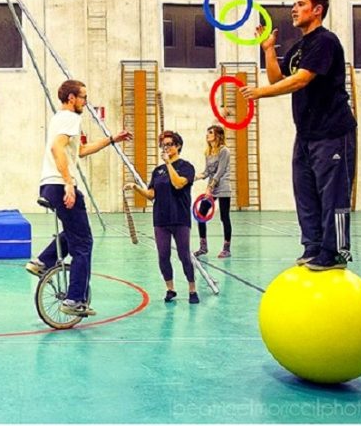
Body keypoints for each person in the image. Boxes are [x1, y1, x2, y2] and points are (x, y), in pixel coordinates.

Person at [241, 0, 356, 271]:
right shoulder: (299, 47)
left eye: (301, 4)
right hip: (306, 134)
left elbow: (300, 80)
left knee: (334, 196)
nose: (294, 9)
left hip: (333, 132)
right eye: (294, 4)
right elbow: (278, 77)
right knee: (305, 193)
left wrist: (259, 93)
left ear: (317, 10)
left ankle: (337, 252)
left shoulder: (325, 41)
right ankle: (313, 246)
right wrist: (268, 50)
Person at [24, 80, 132, 316]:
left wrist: (111, 139)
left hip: (48, 185)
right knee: (83, 243)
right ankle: (74, 300)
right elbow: (57, 148)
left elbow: (80, 151)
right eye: (83, 97)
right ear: (71, 98)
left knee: (75, 232)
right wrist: (69, 183)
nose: (86, 102)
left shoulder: (59, 118)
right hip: (60, 184)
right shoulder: (70, 118)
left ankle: (42, 261)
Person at [126, 130, 199, 304]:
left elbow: (178, 184)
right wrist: (136, 187)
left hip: (180, 218)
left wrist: (168, 164)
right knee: (163, 255)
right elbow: (151, 194)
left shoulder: (186, 167)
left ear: (178, 146)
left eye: (169, 144)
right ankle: (170, 289)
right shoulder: (157, 171)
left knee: (184, 255)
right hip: (161, 219)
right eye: (163, 145)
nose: (166, 148)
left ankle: (192, 289)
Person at [194, 124, 232, 258]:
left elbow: (220, 171)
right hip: (212, 187)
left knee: (224, 217)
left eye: (210, 132)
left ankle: (226, 249)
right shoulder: (208, 152)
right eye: (207, 132)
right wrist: (193, 178)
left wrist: (209, 187)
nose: (207, 135)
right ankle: (203, 247)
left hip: (223, 187)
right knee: (201, 215)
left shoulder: (224, 151)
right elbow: (206, 172)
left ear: (218, 135)